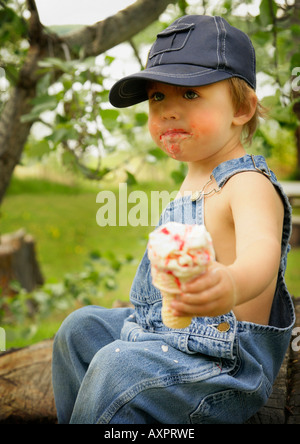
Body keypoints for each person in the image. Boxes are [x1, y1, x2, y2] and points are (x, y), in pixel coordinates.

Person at [52, 15, 295, 424]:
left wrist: (231, 284)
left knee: (118, 368)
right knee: (79, 329)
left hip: (221, 361)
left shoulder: (246, 182)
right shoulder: (194, 176)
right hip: (165, 335)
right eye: (157, 98)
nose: (167, 111)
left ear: (242, 108)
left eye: (189, 93)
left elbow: (263, 250)